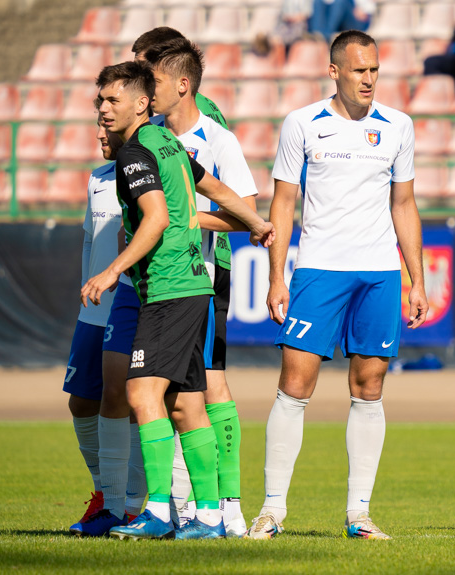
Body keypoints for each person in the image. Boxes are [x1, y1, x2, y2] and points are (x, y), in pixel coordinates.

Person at [246, 30, 428, 540]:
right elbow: (282, 203)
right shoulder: (302, 123)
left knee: (369, 388)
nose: (369, 79)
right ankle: (273, 511)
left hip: (379, 273)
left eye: (374, 70)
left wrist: (416, 279)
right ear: (335, 71)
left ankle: (359, 515)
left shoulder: (399, 126)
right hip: (319, 271)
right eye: (359, 70)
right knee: (294, 385)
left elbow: (404, 205)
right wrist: (277, 275)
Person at [81, 61, 274, 541]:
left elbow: (155, 218)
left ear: (142, 103)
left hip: (167, 289)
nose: (104, 109)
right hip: (196, 286)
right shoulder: (168, 142)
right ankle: (209, 516)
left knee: (141, 393)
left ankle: (161, 510)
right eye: (100, 101)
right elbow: (210, 186)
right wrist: (255, 221)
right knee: (188, 404)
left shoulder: (135, 153)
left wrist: (111, 270)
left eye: (113, 100)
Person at [144, 37, 260, 538]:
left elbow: (248, 213)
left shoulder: (217, 139)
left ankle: (227, 507)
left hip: (201, 282)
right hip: (154, 283)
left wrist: (194, 219)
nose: (146, 92)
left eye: (153, 81)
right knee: (169, 392)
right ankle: (185, 504)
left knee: (208, 385)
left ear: (182, 84)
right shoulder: (150, 136)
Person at [63, 111, 128, 535]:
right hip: (94, 311)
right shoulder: (98, 178)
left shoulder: (147, 173)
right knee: (81, 402)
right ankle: (105, 493)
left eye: (107, 126)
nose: (100, 133)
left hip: (132, 304)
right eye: (98, 124)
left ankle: (137, 502)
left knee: (132, 405)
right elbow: (91, 237)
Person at [309, 0, 374, 42]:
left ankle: (325, 37)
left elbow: (368, 9)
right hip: (338, 20)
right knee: (318, 2)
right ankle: (318, 35)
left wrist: (364, 10)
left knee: (341, 1)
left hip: (357, 19)